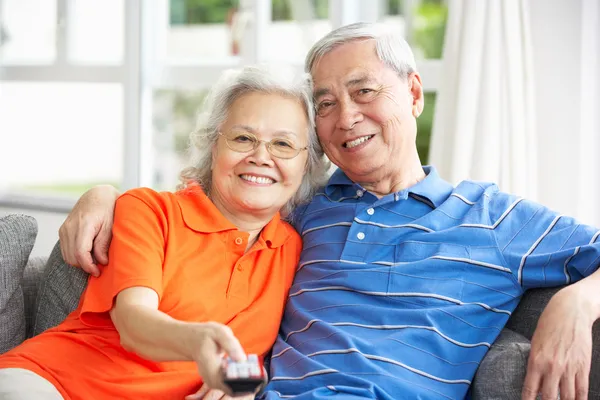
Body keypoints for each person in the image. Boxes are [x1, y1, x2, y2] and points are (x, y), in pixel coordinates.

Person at [58, 23, 600, 400]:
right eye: (324, 103)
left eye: (364, 91)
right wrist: (102, 194)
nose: (345, 118)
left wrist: (579, 300)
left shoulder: (493, 219)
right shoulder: (300, 214)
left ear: (413, 94)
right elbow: (194, 218)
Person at [0, 64, 329, 400]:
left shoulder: (298, 250)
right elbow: (134, 324)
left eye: (283, 145)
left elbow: (267, 355)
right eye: (243, 138)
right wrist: (199, 342)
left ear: (306, 163)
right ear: (213, 146)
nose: (261, 156)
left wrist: (240, 387)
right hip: (54, 382)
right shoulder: (150, 211)